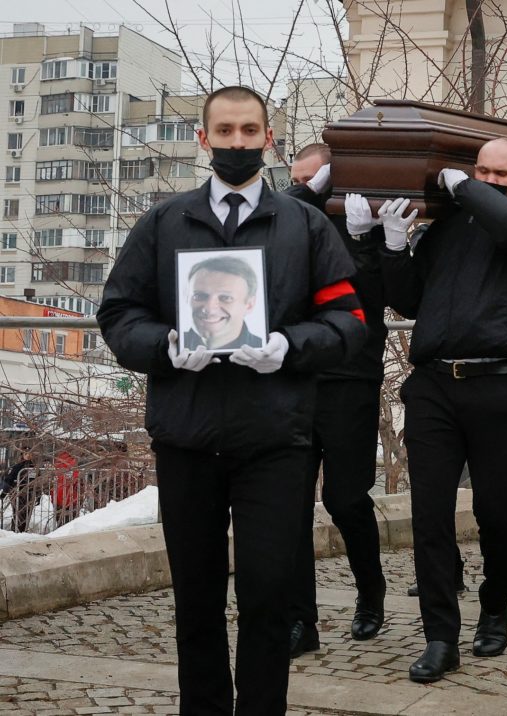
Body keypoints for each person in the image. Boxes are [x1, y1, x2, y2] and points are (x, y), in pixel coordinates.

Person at [97, 86, 367, 715]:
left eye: (250, 131)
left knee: (269, 599)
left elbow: (349, 322)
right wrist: (163, 343)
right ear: (204, 139)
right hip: (187, 438)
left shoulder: (304, 225)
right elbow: (117, 313)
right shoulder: (164, 223)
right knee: (195, 601)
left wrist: (288, 345)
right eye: (226, 132)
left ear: (268, 138)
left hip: (275, 440)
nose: (238, 143)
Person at [380, 137, 507, 683]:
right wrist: (391, 247)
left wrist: (465, 187)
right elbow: (409, 300)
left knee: (496, 514)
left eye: (499, 173)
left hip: (496, 386)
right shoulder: (446, 229)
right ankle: (440, 636)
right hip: (434, 384)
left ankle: (496, 606)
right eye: (479, 170)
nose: (488, 179)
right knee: (430, 516)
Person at [279, 142, 393, 657]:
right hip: (297, 380)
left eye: (315, 179)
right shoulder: (288, 222)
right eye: (300, 181)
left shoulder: (355, 223)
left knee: (346, 500)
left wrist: (367, 238)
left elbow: (367, 299)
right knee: (290, 506)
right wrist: (304, 193)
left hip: (349, 380)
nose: (305, 189)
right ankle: (301, 620)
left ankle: (371, 592)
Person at [183, 256, 264, 351]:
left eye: (225, 298)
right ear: (187, 298)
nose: (209, 309)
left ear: (249, 305)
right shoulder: (171, 346)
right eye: (199, 296)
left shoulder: (266, 351)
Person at [1, 450, 35, 533]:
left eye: (30, 453)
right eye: (26, 453)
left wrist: (38, 494)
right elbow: (9, 479)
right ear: (22, 455)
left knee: (27, 513)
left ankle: (23, 531)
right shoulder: (17, 466)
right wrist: (4, 492)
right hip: (17, 493)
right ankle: (15, 531)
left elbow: (37, 481)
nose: (28, 455)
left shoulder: (34, 466)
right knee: (18, 513)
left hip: (29, 493)